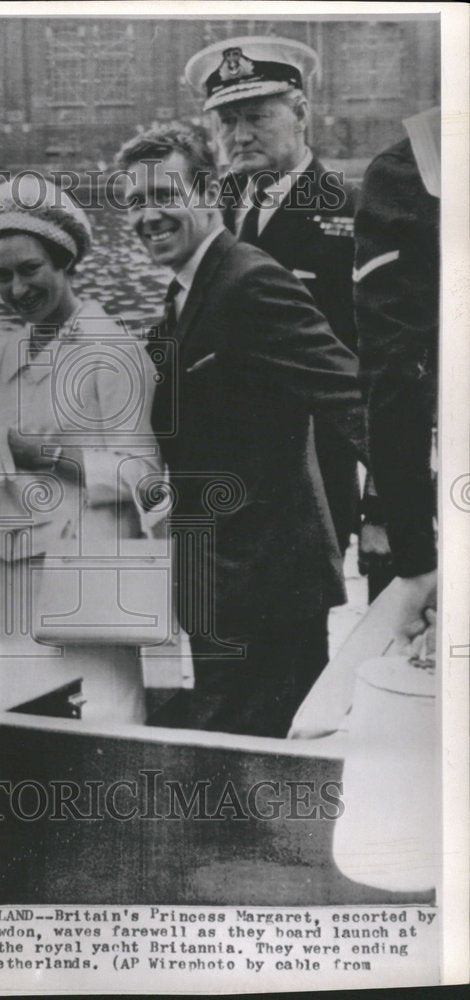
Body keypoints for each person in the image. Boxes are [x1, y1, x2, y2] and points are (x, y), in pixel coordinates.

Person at [116, 123, 368, 738]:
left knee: (264, 773)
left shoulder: (249, 280)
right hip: (219, 581)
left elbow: (352, 395)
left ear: (206, 192)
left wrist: (414, 512)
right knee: (237, 764)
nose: (148, 215)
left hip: (270, 586)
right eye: (134, 202)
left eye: (163, 194)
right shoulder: (186, 294)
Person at [0, 175, 161, 723]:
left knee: (96, 735)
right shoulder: (0, 355)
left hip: (96, 580)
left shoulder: (115, 351)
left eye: (30, 270)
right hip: (18, 573)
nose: (16, 289)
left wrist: (39, 454)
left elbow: (144, 476)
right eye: (2, 277)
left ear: (64, 263)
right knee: (18, 734)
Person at [185, 36, 392, 594]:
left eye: (256, 116)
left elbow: (388, 366)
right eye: (226, 121)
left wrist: (383, 502)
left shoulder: (354, 216)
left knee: (299, 639)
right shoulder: (210, 211)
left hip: (313, 473)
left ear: (300, 113)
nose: (240, 135)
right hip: (223, 469)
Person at [354, 107, 440, 651]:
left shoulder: (413, 167)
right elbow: (395, 373)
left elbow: (393, 370)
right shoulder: (416, 166)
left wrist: (417, 564)